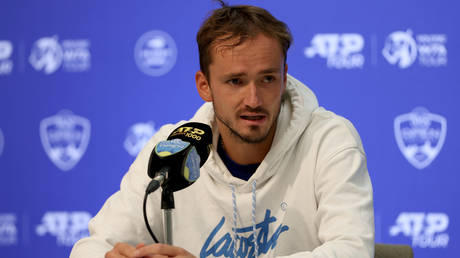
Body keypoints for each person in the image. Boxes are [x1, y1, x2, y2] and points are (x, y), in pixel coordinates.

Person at [71, 2, 374, 258]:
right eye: (236, 82)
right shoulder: (172, 147)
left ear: (284, 78)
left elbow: (352, 250)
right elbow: (93, 247)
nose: (254, 100)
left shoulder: (328, 141)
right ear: (204, 85)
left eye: (267, 79)